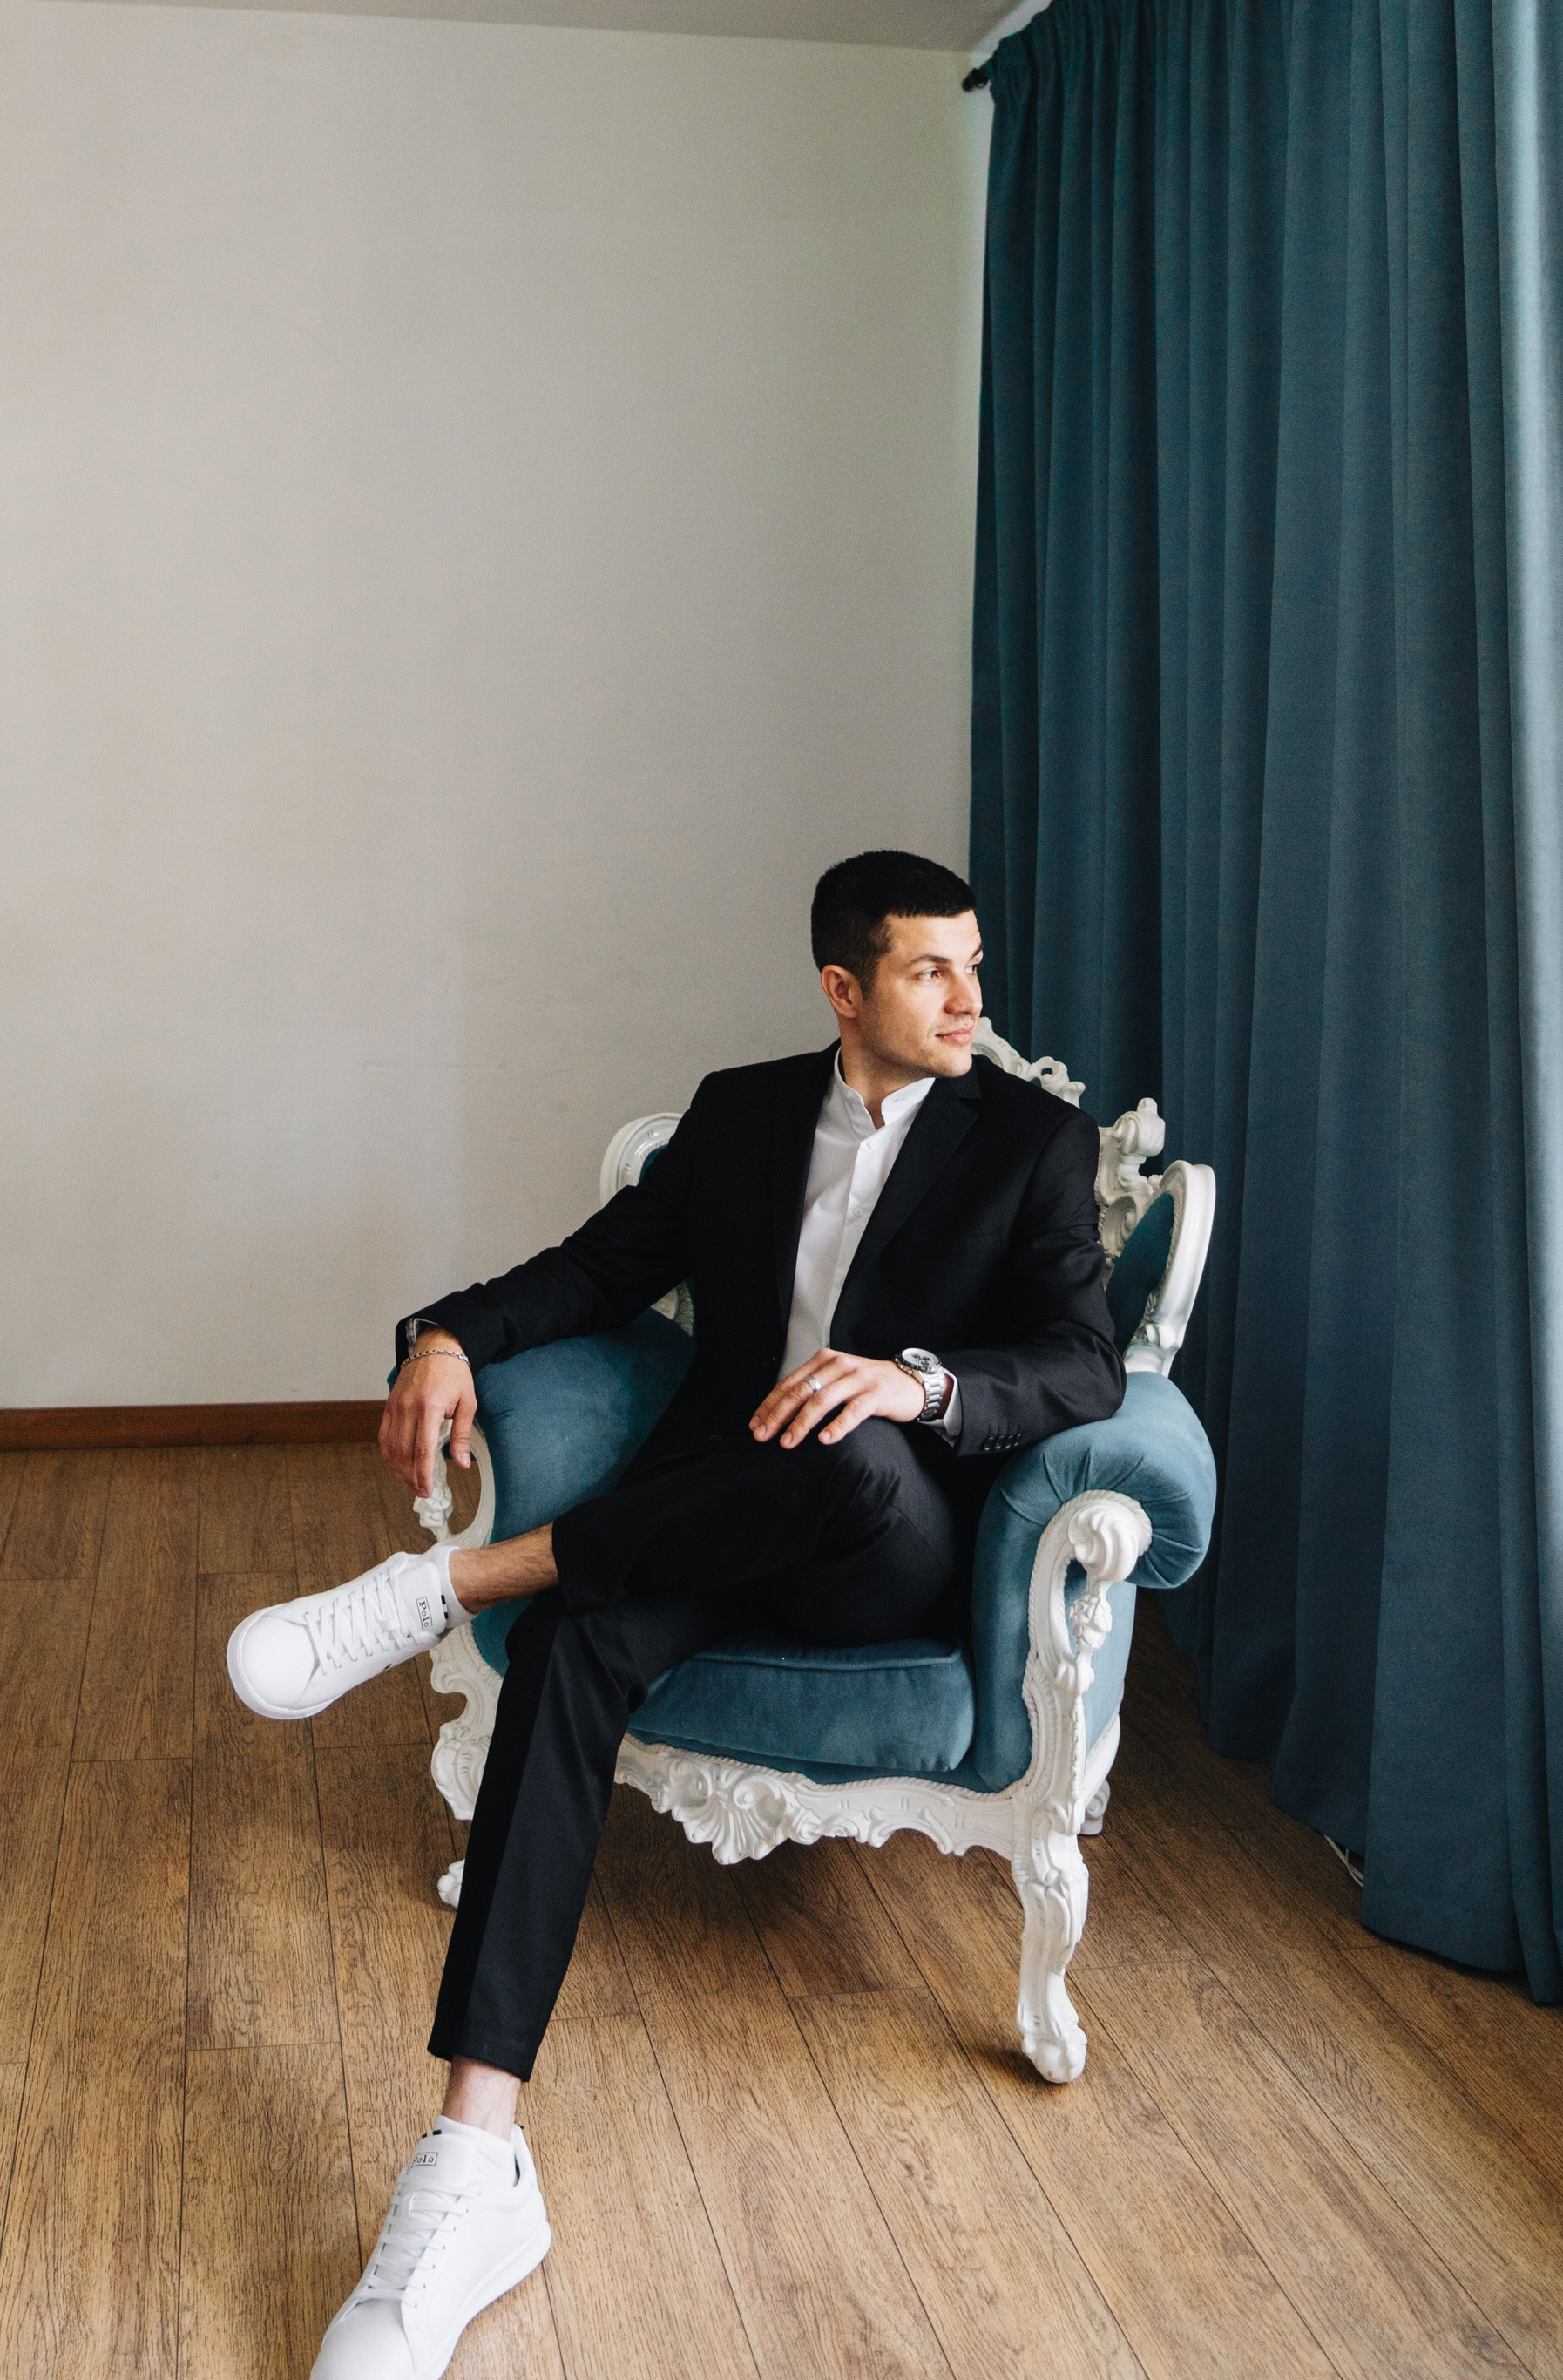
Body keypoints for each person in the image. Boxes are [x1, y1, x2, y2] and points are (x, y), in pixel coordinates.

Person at [227, 849, 1122, 2380]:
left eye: (974, 963)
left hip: (888, 1533)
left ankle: (452, 1583)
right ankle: (474, 2161)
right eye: (930, 969)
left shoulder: (1032, 1140)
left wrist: (917, 1383)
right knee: (574, 1647)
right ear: (844, 988)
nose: (969, 997)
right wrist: (445, 1335)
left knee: (843, 1448)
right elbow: (599, 1272)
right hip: (706, 1520)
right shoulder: (744, 1112)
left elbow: (1085, 1360)